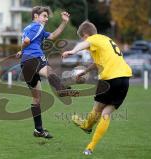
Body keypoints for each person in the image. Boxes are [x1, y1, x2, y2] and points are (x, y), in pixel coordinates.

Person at [62, 21, 132, 155]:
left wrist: (73, 51)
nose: (84, 41)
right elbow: (98, 62)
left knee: (97, 109)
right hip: (124, 79)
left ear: (86, 35)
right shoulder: (106, 40)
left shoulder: (93, 38)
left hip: (109, 79)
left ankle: (86, 126)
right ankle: (90, 147)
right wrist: (84, 71)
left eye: (82, 37)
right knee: (106, 114)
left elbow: (84, 43)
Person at [16, 6, 77, 139]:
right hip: (34, 58)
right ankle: (62, 90)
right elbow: (26, 41)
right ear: (36, 16)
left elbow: (53, 36)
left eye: (47, 16)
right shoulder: (37, 26)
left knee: (37, 99)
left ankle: (38, 130)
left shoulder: (31, 29)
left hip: (25, 64)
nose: (46, 18)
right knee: (49, 71)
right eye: (44, 15)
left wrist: (64, 22)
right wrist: (22, 49)